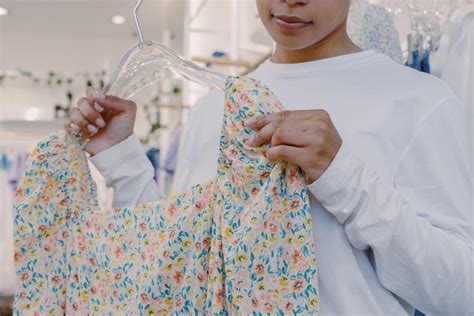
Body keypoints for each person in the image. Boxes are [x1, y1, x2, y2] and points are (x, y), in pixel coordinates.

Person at [64, 0, 473, 314]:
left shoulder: (419, 102)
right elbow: (177, 273)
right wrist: (121, 159)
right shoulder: (214, 109)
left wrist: (342, 175)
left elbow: (461, 294)